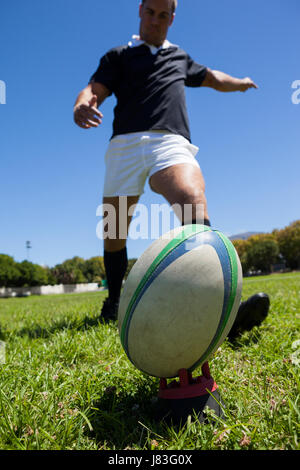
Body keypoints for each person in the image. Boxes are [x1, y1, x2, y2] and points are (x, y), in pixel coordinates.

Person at [73, 0, 270, 340]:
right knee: (114, 230)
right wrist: (82, 103)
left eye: (164, 15)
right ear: (140, 10)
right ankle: (115, 300)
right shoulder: (119, 55)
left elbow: (212, 78)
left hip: (170, 141)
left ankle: (223, 307)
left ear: (172, 18)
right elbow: (94, 89)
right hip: (125, 145)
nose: (156, 20)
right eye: (151, 12)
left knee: (192, 197)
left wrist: (239, 82)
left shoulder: (179, 57)